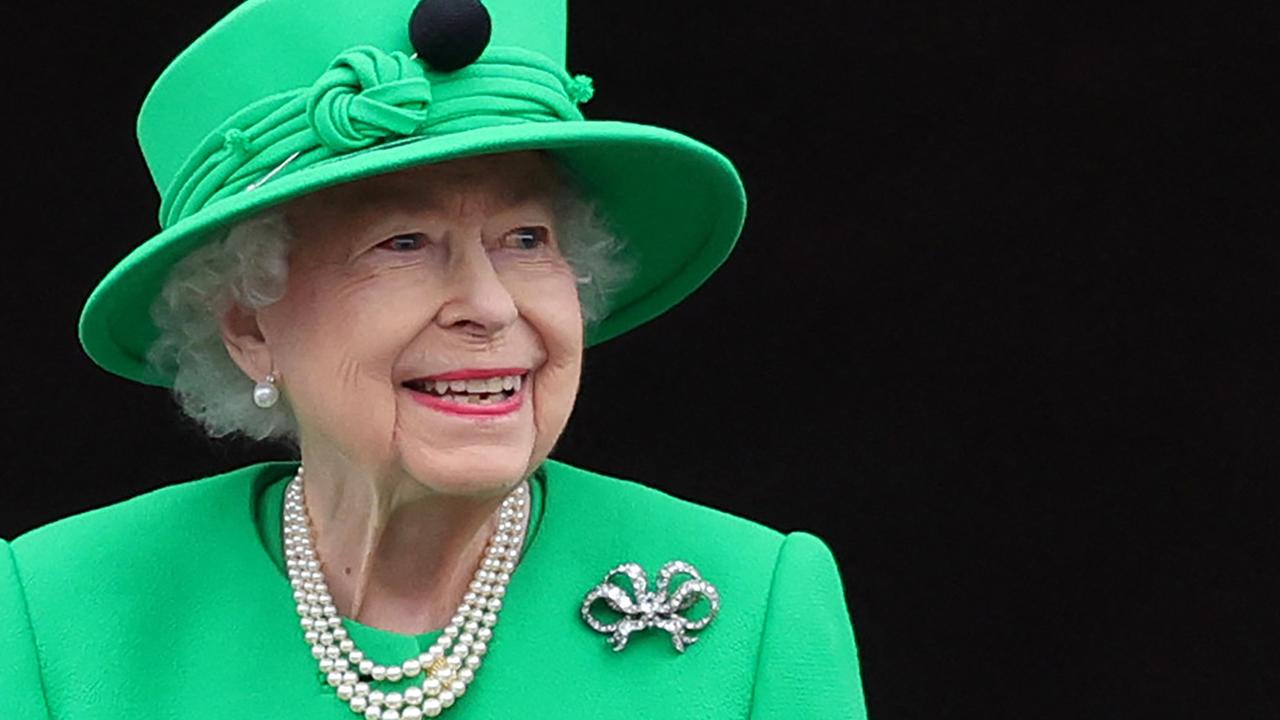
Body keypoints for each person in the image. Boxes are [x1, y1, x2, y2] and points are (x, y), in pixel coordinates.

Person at [0, 0, 867, 717]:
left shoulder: (755, 604)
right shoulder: (51, 613)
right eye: (403, 243)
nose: (491, 307)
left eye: (527, 238)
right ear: (250, 326)